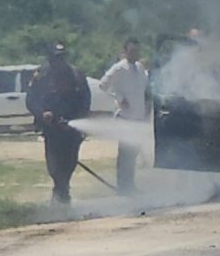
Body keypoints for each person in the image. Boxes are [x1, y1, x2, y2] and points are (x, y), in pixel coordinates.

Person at [26, 43, 92, 204]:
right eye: (56, 58)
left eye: (62, 57)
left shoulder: (77, 75)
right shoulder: (41, 76)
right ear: (50, 59)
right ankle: (60, 189)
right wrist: (42, 113)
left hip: (71, 127)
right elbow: (31, 100)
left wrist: (77, 119)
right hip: (52, 128)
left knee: (70, 161)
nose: (59, 62)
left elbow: (85, 100)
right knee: (54, 163)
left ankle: (63, 189)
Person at [100, 37, 149, 194]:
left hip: (138, 117)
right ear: (125, 52)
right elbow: (103, 85)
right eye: (132, 51)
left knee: (133, 153)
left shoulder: (141, 69)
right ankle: (123, 186)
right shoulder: (119, 68)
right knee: (125, 154)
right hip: (125, 117)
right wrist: (119, 98)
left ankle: (130, 184)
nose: (135, 54)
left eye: (137, 51)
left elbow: (145, 89)